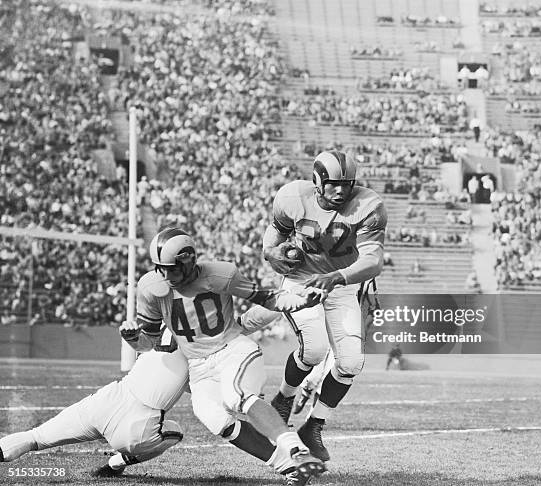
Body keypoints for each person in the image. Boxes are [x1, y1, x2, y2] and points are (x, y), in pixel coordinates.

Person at [123, 227, 326, 485]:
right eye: (160, 267)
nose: (165, 274)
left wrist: (300, 301)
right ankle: (289, 467)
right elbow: (149, 342)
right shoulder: (151, 287)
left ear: (188, 261)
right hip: (198, 366)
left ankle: (296, 448)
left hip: (233, 351)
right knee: (213, 417)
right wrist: (132, 338)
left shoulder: (221, 274)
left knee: (236, 396)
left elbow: (267, 298)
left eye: (172, 268)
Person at [262, 150, 388, 461]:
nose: (341, 191)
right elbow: (273, 236)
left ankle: (313, 425)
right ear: (317, 181)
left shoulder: (369, 205)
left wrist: (338, 277)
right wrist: (271, 253)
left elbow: (373, 260)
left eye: (347, 184)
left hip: (342, 284)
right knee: (315, 350)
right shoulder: (293, 197)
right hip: (302, 280)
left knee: (350, 363)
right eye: (333, 184)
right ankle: (284, 398)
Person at [0, 330, 187, 475]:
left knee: (35, 437)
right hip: (137, 426)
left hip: (107, 400)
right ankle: (117, 462)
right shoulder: (201, 343)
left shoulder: (161, 321)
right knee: (176, 431)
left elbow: (147, 351)